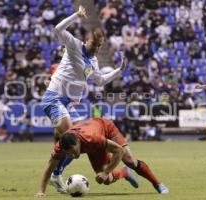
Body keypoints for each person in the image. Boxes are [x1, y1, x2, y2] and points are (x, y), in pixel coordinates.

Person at [41, 5, 126, 193]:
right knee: (74, 140)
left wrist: (119, 70)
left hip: (67, 103)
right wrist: (76, 15)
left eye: (100, 45)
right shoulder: (74, 45)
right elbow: (57, 29)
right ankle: (56, 174)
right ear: (87, 40)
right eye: (94, 44)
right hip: (54, 98)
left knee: (68, 141)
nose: (97, 48)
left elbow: (100, 80)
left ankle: (56, 171)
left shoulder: (94, 60)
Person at [35, 118, 169, 197]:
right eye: (67, 153)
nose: (70, 155)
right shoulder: (61, 146)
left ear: (77, 142)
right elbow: (49, 167)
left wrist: (106, 171)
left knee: (130, 161)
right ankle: (124, 173)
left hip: (106, 128)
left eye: (72, 151)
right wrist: (41, 191)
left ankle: (158, 184)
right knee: (105, 180)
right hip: (93, 142)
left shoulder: (92, 139)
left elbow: (119, 151)